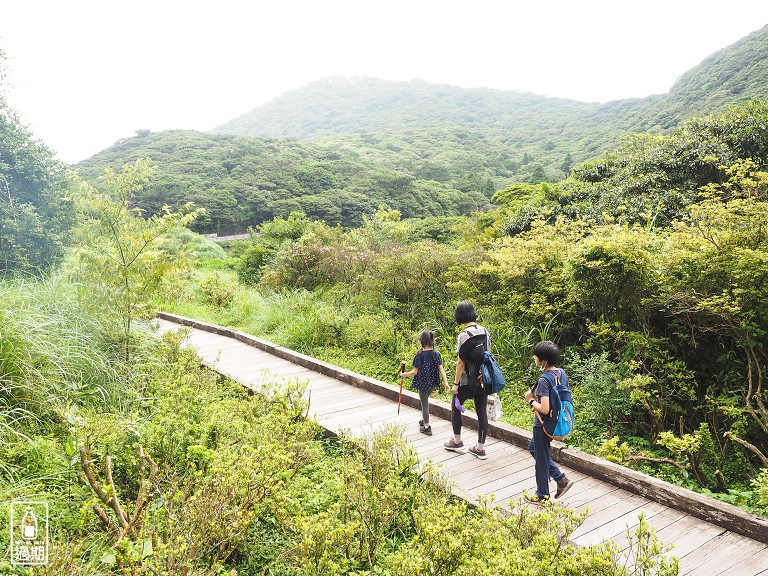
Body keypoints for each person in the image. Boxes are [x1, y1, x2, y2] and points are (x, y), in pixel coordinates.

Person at [523, 340, 574, 503]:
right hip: (557, 419)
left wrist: (530, 400)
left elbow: (544, 408)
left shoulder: (545, 380)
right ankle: (560, 479)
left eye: (536, 356)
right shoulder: (561, 373)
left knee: (541, 457)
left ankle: (542, 495)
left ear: (543, 361)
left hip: (543, 423)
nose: (534, 358)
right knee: (535, 449)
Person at [444, 301, 491, 459]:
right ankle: (480, 448)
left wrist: (456, 384)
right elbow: (487, 356)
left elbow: (460, 362)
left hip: (466, 381)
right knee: (481, 412)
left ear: (460, 315)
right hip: (482, 380)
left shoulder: (463, 335)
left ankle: (457, 441)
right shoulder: (485, 331)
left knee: (455, 406)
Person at [400, 329, 450, 435]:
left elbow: (415, 371)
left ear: (422, 341)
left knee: (424, 404)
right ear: (432, 341)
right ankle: (424, 419)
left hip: (422, 384)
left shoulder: (419, 356)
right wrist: (446, 382)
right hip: (432, 383)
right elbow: (441, 369)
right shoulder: (437, 354)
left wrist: (404, 375)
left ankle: (427, 427)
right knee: (425, 402)